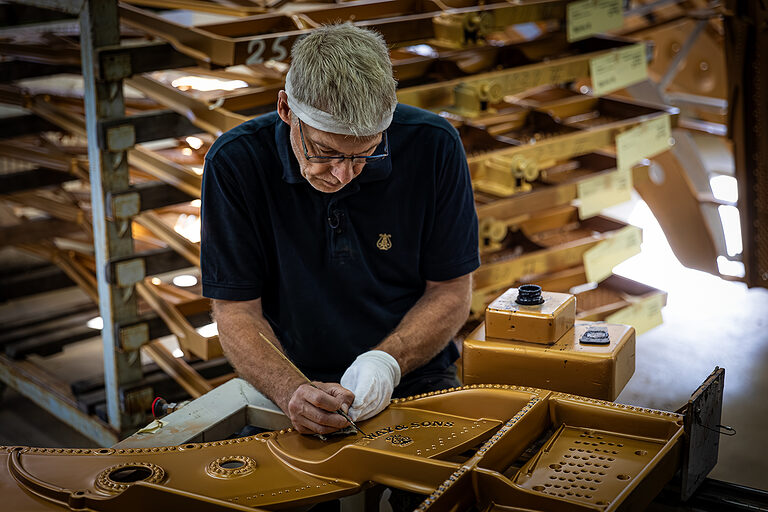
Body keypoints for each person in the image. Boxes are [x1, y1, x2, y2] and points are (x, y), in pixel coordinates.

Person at [201, 23, 479, 436]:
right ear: (285, 110)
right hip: (289, 377)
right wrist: (290, 388)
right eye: (325, 152)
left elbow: (452, 290)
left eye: (365, 154)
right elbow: (236, 310)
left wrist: (385, 363)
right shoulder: (236, 163)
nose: (344, 174)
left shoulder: (433, 145)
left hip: (412, 370)